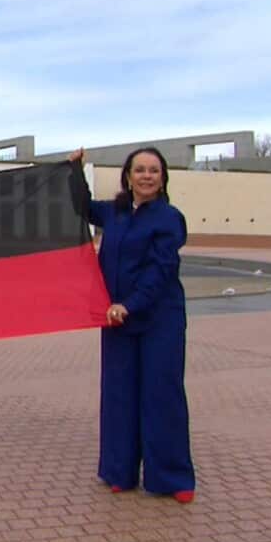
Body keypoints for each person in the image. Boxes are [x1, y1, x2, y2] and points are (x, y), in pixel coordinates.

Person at [68, 147, 196, 503]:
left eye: (154, 170)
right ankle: (119, 471)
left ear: (162, 177)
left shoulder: (170, 218)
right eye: (139, 170)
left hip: (159, 319)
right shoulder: (116, 213)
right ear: (128, 175)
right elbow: (82, 206)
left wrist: (131, 304)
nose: (146, 176)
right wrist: (74, 170)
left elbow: (161, 270)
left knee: (161, 394)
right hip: (116, 319)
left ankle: (171, 478)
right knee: (119, 394)